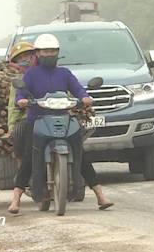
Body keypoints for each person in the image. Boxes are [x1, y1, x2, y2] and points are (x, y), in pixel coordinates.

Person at [8, 33, 113, 214]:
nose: (49, 54)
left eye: (52, 51)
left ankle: (100, 195)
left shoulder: (64, 73)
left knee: (80, 154)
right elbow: (21, 93)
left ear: (57, 52)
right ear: (38, 53)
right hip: (37, 120)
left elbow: (78, 89)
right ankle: (15, 199)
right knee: (29, 157)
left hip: (64, 118)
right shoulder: (31, 74)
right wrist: (22, 100)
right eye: (45, 51)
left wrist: (85, 97)